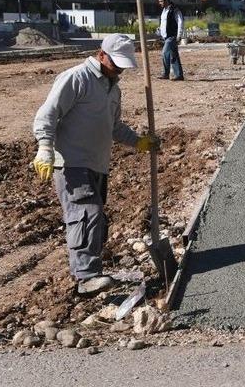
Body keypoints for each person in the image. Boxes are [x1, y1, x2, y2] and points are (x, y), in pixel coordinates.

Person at [32, 34, 159, 295]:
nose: (119, 70)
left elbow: (114, 127)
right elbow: (48, 113)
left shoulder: (113, 89)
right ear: (101, 55)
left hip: (98, 164)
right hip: (71, 163)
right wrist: (44, 146)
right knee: (86, 212)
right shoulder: (76, 78)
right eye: (115, 64)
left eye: (123, 66)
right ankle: (86, 277)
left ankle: (92, 271)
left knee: (97, 218)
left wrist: (139, 142)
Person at [156, 0, 184, 81]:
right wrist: (159, 30)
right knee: (173, 55)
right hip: (165, 37)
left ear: (166, 0)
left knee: (165, 53)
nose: (160, 3)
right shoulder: (164, 11)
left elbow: (180, 22)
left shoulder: (174, 10)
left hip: (172, 36)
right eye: (159, 1)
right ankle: (179, 75)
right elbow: (163, 23)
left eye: (161, 1)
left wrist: (179, 35)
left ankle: (166, 73)